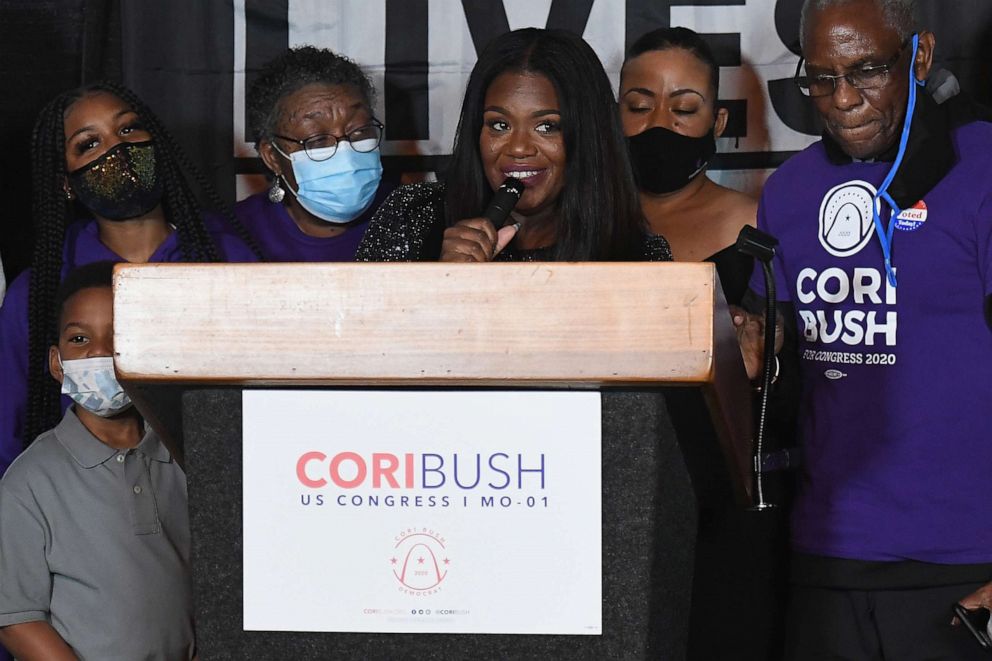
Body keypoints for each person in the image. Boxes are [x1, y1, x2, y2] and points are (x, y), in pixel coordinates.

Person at [740, 1, 992, 658]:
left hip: (963, 562)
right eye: (820, 78)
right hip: (825, 561)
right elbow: (775, 368)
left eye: (867, 70)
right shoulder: (789, 192)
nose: (843, 99)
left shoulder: (985, 169)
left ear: (921, 55)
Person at [621, 27, 793, 661]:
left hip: (728, 510)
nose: (658, 124)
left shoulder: (759, 227)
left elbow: (795, 359)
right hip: (614, 501)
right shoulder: (583, 224)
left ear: (718, 119)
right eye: (638, 106)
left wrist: (769, 342)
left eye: (683, 107)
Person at [0, 81, 258, 476]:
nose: (116, 150)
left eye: (128, 129)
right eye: (89, 144)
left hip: (217, 489)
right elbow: (8, 431)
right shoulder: (39, 291)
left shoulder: (228, 259)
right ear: (66, 183)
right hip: (85, 507)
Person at [0, 261, 194, 660]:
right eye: (80, 339)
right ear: (57, 364)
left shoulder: (185, 459)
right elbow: (17, 617)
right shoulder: (29, 482)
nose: (100, 353)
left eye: (117, 336)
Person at [356, 28, 670, 263]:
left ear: (589, 138)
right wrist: (441, 284)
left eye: (547, 127)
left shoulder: (640, 257)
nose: (518, 148)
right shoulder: (412, 217)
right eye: (499, 125)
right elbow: (360, 342)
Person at [241, 45, 394, 261]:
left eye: (359, 131)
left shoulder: (421, 222)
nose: (346, 154)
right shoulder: (226, 239)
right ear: (273, 156)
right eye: (318, 140)